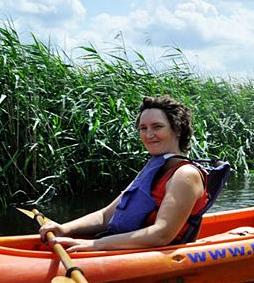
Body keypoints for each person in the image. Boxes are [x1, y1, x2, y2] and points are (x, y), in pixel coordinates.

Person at [38, 96, 210, 251]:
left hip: (153, 256)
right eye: (143, 128)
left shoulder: (185, 175)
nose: (149, 134)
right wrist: (65, 228)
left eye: (157, 126)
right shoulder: (154, 169)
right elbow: (106, 216)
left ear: (178, 130)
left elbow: (161, 234)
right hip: (124, 246)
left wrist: (96, 245)